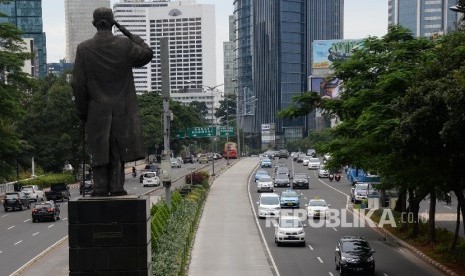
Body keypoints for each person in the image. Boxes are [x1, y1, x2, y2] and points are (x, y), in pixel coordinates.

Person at [72, 7, 153, 197]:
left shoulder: (84, 48)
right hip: (121, 109)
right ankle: (117, 186)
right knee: (117, 148)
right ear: (112, 23)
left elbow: (77, 83)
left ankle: (99, 187)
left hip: (96, 109)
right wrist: (126, 31)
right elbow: (147, 53)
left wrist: (82, 110)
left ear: (94, 24)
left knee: (99, 149)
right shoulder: (124, 45)